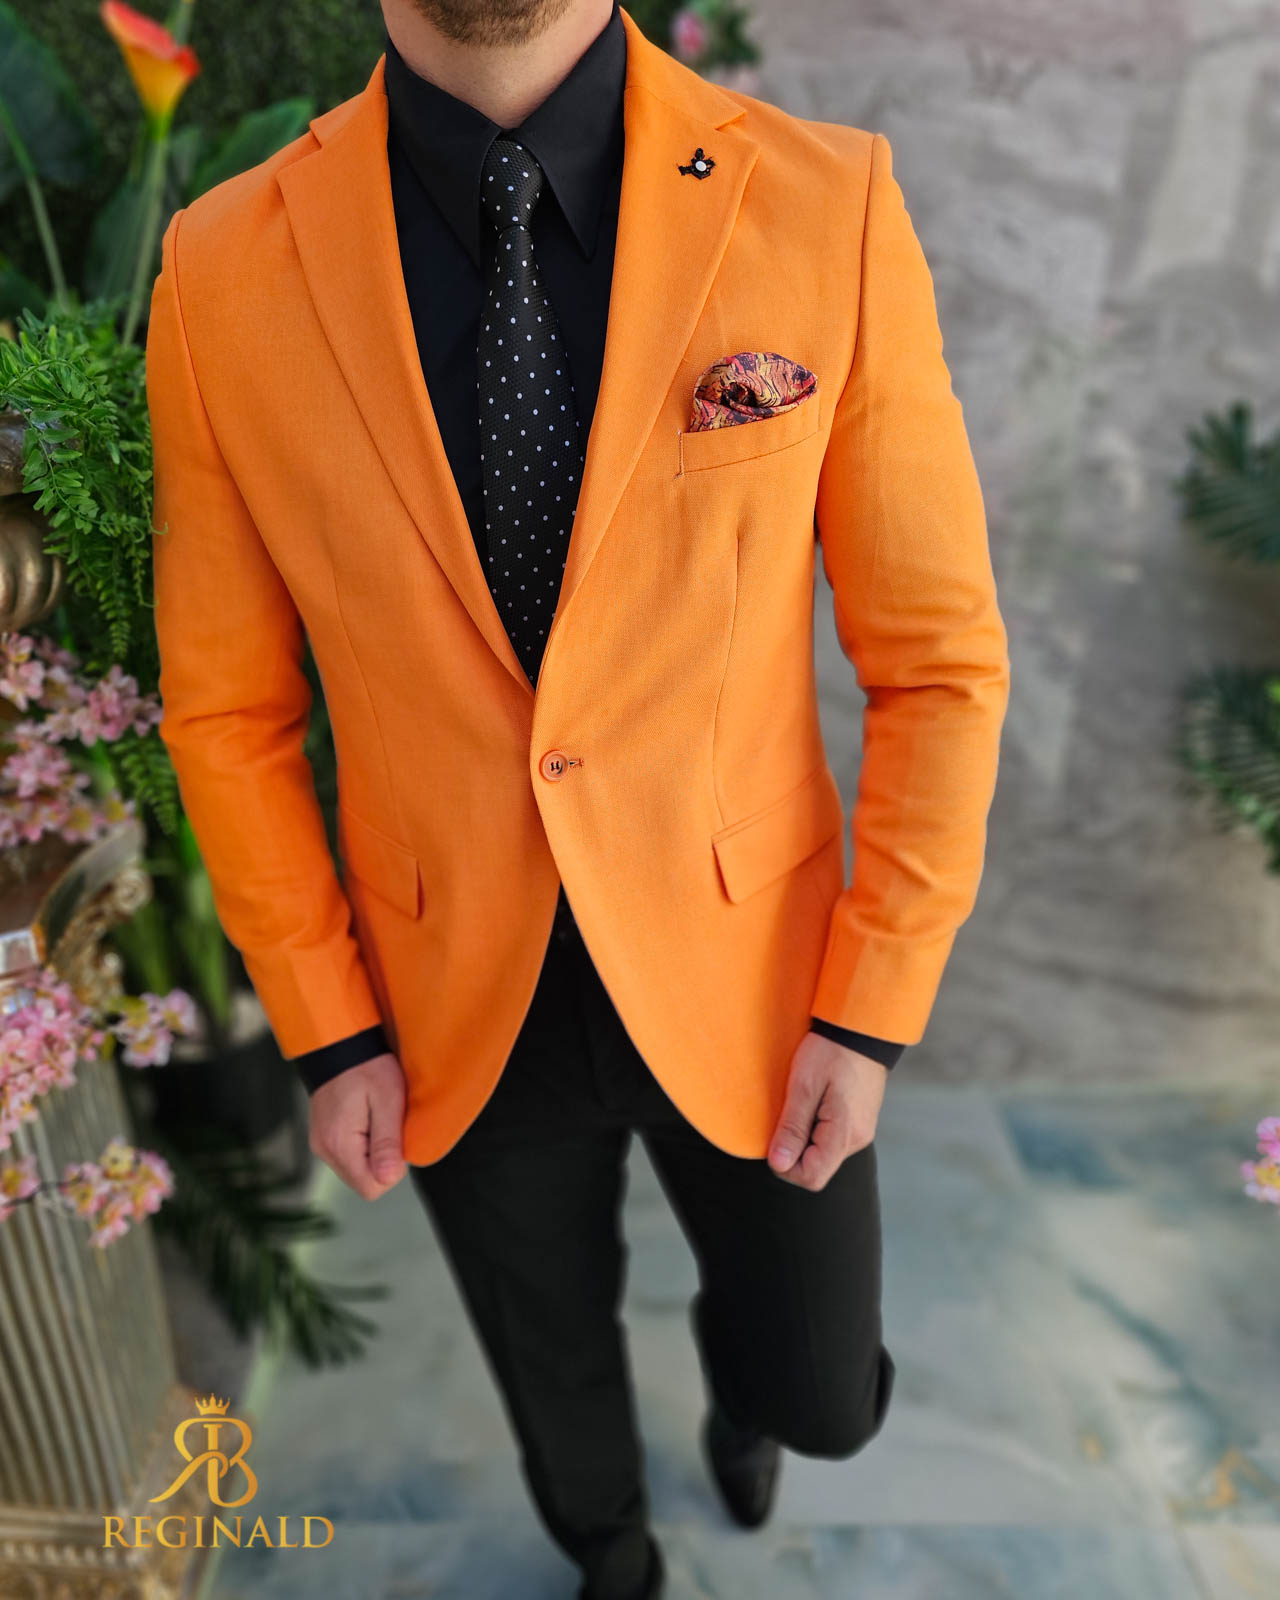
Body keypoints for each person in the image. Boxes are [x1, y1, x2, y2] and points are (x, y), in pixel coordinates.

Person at [145, 1, 1011, 1594]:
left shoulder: (826, 203)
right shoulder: (217, 267)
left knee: (826, 1399)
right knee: (553, 1379)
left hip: (754, 967)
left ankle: (748, 1394)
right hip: (450, 981)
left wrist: (874, 1003)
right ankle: (611, 1557)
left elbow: (940, 664)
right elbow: (227, 710)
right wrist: (326, 1022)